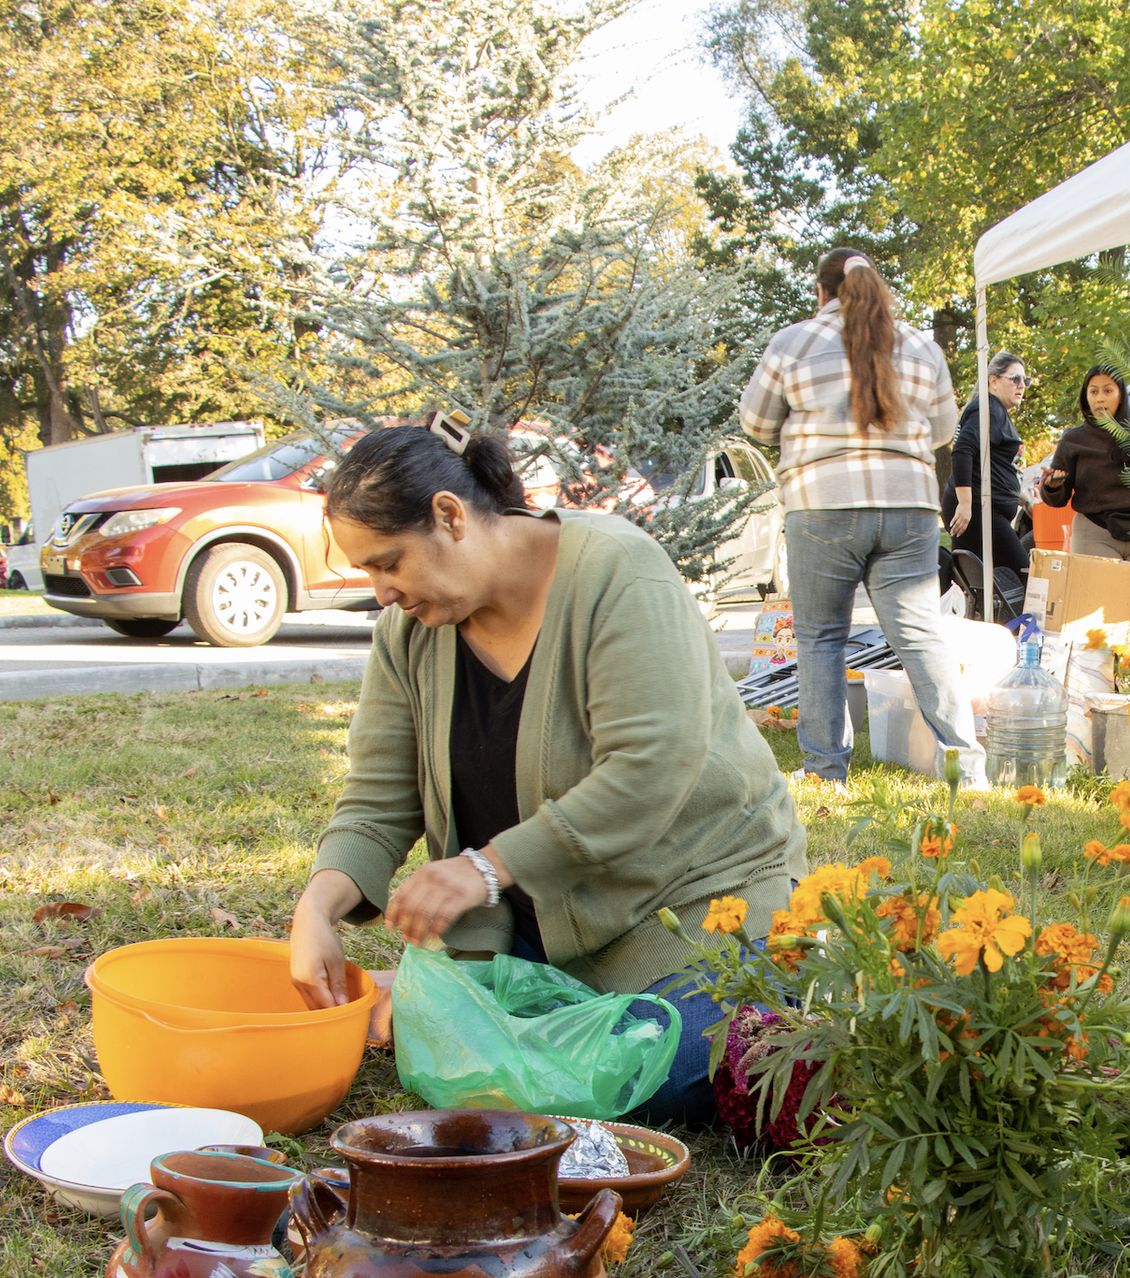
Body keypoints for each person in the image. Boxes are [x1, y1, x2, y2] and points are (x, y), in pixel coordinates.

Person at [286, 418, 808, 1132]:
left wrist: (488, 868)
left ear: (449, 515)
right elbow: (378, 801)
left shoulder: (618, 572)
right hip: (541, 939)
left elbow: (649, 770)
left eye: (388, 563)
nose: (381, 592)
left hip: (693, 912)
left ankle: (769, 991)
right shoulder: (408, 635)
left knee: (646, 1080)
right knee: (486, 1072)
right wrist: (316, 908)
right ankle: (486, 1010)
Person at [738, 248, 981, 783]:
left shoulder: (793, 341)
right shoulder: (921, 345)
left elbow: (755, 422)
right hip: (910, 506)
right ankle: (969, 768)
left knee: (822, 638)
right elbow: (943, 431)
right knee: (921, 635)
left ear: (821, 292)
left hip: (823, 505)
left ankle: (826, 772)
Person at [1037, 365, 1130, 566]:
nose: (1100, 398)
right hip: (1095, 531)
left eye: (1108, 391)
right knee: (1102, 597)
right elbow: (1057, 499)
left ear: (1121, 395)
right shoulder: (1073, 440)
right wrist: (1051, 486)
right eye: (1093, 391)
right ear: (1086, 397)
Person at [948, 351, 1032, 613]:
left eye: (1025, 380)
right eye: (1015, 378)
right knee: (1025, 574)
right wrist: (965, 504)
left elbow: (992, 469)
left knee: (975, 587)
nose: (1021, 385)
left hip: (982, 507)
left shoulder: (991, 409)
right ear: (993, 380)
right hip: (979, 511)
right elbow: (962, 450)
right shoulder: (988, 408)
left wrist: (1023, 499)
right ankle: (1025, 638)